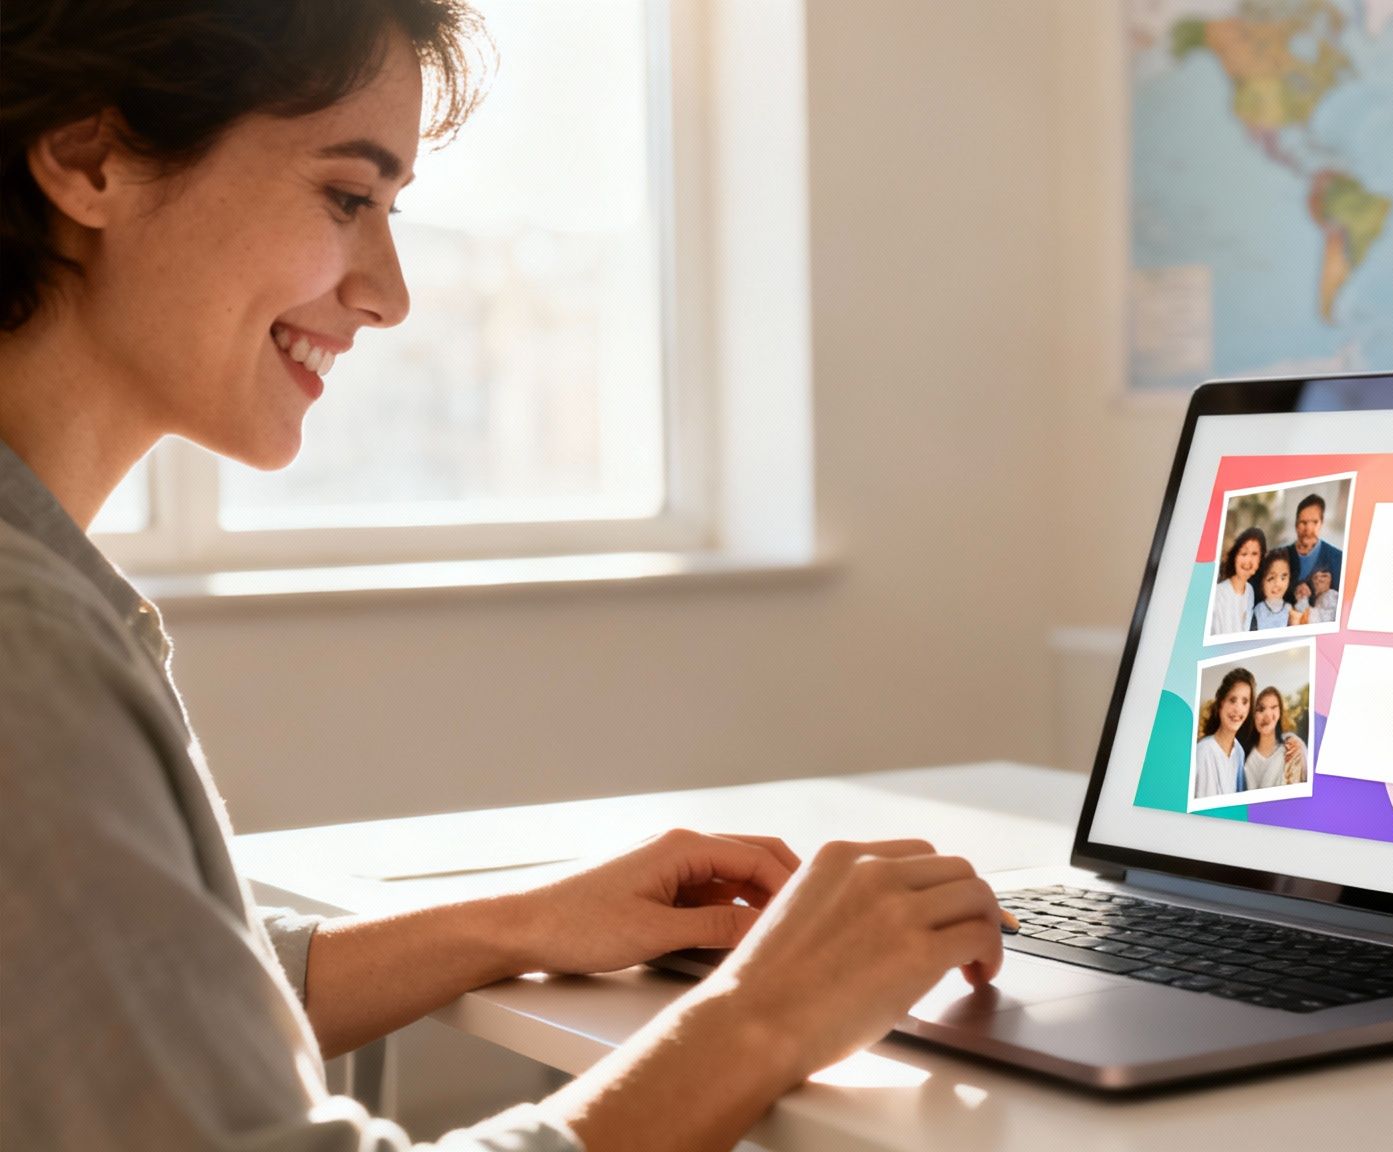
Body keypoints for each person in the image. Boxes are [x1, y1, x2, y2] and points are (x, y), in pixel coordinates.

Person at [0, 4, 1008, 1150]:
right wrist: (763, 1016)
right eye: (346, 197)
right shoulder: (25, 643)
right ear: (92, 160)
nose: (389, 294)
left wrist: (517, 923)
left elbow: (131, 999)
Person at [1193, 668, 1253, 800]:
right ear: (1221, 704)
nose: (1238, 709)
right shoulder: (1202, 751)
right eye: (1232, 700)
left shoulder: (1239, 752)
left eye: (1244, 702)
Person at [1240, 686, 1307, 789]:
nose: (1267, 715)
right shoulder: (1243, 755)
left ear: (1280, 713)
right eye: (1260, 709)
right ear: (1253, 716)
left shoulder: (1291, 749)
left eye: (1273, 707)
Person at [1278, 492, 1343, 594]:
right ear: (1296, 524)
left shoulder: (1338, 558)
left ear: (1321, 523)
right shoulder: (1280, 556)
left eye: (1315, 522)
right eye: (1303, 522)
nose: (1308, 529)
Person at [1208, 526, 1265, 636]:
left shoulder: (1249, 590)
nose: (1248, 560)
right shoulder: (1218, 594)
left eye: (1254, 554)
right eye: (1244, 553)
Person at [1250, 551, 1296, 631]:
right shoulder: (1258, 611)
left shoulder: (1290, 611)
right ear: (1261, 581)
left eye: (1283, 578)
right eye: (1271, 578)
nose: (1278, 584)